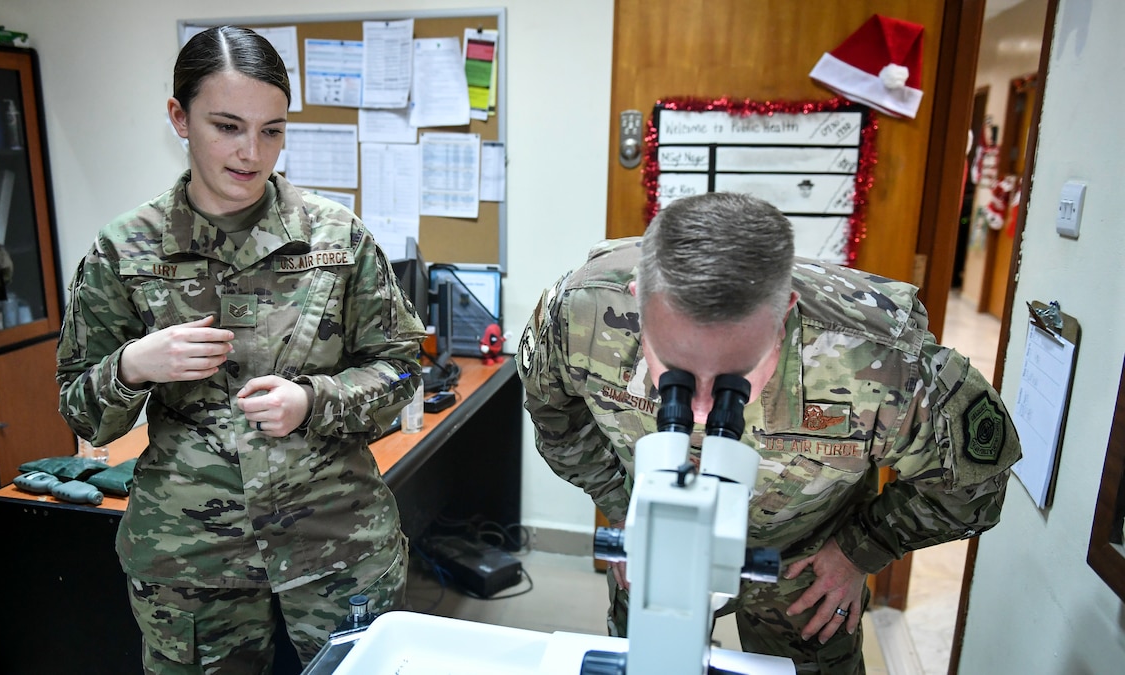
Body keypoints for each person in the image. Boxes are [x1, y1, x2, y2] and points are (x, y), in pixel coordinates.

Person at [517, 192, 1021, 674]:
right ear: (637, 305)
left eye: (734, 379)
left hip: (806, 566)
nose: (698, 407)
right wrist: (629, 509)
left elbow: (974, 485)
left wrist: (861, 548)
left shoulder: (883, 364)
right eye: (675, 373)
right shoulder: (583, 315)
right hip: (659, 547)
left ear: (784, 316)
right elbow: (553, 412)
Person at [56, 26, 425, 673]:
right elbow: (84, 412)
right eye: (227, 125)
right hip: (193, 559)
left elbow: (401, 366)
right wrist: (134, 365)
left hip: (335, 543)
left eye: (272, 130)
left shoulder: (336, 237)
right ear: (179, 116)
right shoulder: (126, 251)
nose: (251, 152)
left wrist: (313, 400)